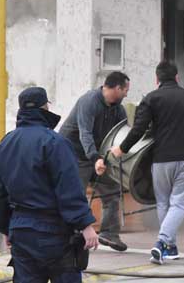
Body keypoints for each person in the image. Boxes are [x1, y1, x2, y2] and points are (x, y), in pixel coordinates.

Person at [0, 87, 99, 283]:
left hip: (21, 231)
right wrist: (85, 225)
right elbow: (69, 188)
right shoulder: (55, 143)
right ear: (45, 107)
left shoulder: (4, 145)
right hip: (54, 232)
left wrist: (6, 227)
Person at [111, 61, 184, 265]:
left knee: (163, 202)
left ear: (157, 80)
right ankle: (163, 243)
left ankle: (170, 246)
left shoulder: (151, 99)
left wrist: (121, 149)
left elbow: (138, 129)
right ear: (177, 78)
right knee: (178, 203)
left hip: (162, 159)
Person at [59, 72, 130, 252]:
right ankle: (70, 234)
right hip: (74, 154)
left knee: (112, 191)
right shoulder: (89, 102)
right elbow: (85, 134)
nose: (127, 94)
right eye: (126, 90)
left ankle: (109, 233)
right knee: (75, 195)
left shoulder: (119, 109)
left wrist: (113, 157)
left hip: (97, 156)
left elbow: (120, 137)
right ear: (116, 88)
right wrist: (95, 158)